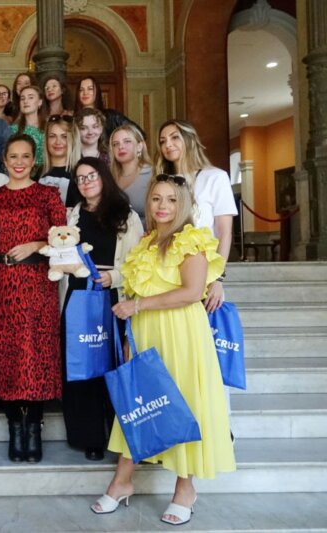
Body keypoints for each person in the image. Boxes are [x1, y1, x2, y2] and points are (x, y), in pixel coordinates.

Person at [93, 175, 235, 525]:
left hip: (181, 333)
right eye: (156, 198)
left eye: (171, 200)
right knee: (139, 405)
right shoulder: (147, 241)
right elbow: (138, 291)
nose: (162, 206)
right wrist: (132, 329)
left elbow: (191, 292)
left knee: (183, 404)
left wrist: (138, 308)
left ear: (183, 204)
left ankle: (185, 488)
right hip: (147, 332)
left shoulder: (191, 240)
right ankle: (122, 482)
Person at [0, 134, 66, 464]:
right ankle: (16, 427)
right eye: (13, 156)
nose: (18, 162)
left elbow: (64, 240)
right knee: (9, 354)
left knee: (36, 353)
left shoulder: (48, 194)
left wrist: (36, 245)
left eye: (25, 156)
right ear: (4, 158)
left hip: (37, 284)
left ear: (34, 159)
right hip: (1, 284)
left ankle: (34, 429)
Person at [62, 157, 143, 462]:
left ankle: (119, 434)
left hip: (114, 296)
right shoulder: (73, 214)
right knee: (82, 367)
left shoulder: (126, 215)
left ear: (104, 176)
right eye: (80, 179)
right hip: (79, 296)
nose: (85, 182)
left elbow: (137, 262)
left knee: (112, 365)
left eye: (91, 176)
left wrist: (115, 277)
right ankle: (89, 437)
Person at [155, 119, 237, 312]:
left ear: (189, 140)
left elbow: (224, 233)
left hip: (202, 270)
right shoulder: (162, 180)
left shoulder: (215, 177)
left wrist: (218, 278)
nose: (168, 144)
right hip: (165, 269)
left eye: (175, 137)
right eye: (162, 140)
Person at [75, 76, 141, 140]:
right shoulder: (73, 119)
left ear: (97, 91)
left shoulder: (111, 116)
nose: (85, 93)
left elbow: (138, 132)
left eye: (90, 89)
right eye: (81, 90)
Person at [111, 123, 153, 224]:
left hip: (144, 236)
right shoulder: (109, 177)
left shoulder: (153, 174)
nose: (121, 147)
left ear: (139, 146)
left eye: (127, 141)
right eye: (115, 144)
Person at [40, 115, 82, 205]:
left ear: (73, 140)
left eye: (64, 136)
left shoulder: (80, 174)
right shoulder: (37, 173)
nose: (58, 142)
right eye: (52, 136)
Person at [10, 85, 46, 173]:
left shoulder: (49, 127)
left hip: (45, 175)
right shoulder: (12, 130)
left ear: (40, 102)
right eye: (22, 98)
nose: (25, 101)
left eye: (30, 97)